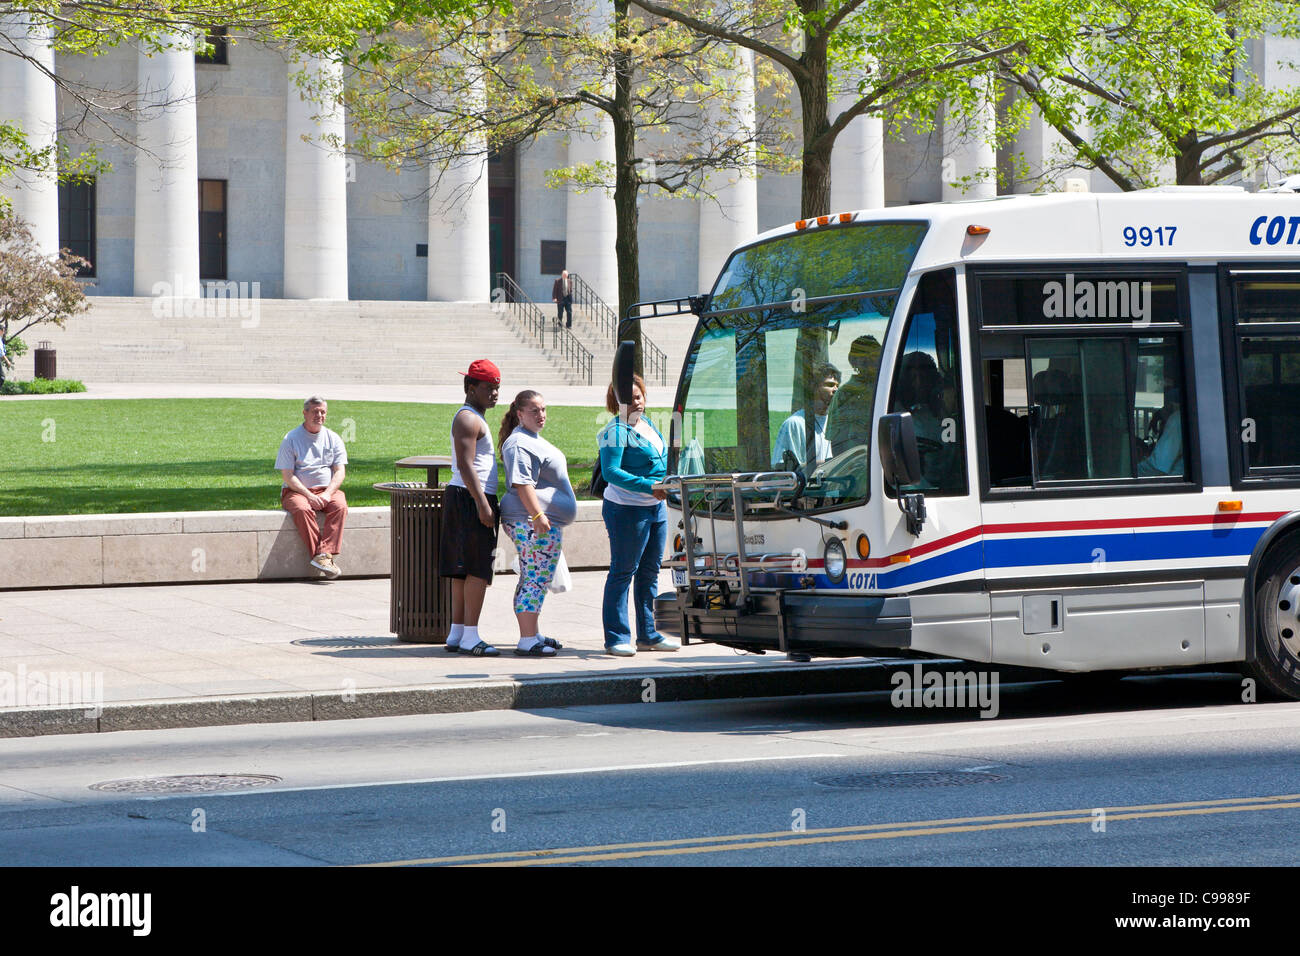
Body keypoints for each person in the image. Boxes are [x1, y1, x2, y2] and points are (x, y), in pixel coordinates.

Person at [598, 373, 677, 657]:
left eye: (639, 396)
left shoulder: (649, 425)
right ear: (616, 403)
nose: (636, 403)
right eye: (629, 399)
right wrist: (649, 486)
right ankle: (617, 637)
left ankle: (648, 634)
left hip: (655, 508)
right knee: (623, 571)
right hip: (626, 509)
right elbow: (611, 472)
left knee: (650, 572)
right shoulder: (614, 431)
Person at [499, 390, 577, 656]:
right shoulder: (519, 442)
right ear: (519, 414)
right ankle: (527, 640)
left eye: (543, 409)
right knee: (535, 578)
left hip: (536, 521)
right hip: (530, 522)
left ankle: (533, 632)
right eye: (534, 411)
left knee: (535, 577)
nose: (541, 415)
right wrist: (537, 516)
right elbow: (522, 482)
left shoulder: (529, 439)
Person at [441, 359, 503, 656]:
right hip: (470, 497)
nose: (494, 393)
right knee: (476, 570)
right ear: (470, 387)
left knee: (462, 571)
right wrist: (483, 505)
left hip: (465, 497)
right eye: (488, 388)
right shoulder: (468, 419)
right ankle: (471, 636)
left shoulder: (475, 416)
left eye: (497, 388)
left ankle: (457, 633)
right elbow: (466, 465)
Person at [275, 396, 348, 579]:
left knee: (340, 506)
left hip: (326, 490)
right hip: (296, 491)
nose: (320, 415)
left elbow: (340, 472)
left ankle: (323, 555)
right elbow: (287, 475)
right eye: (315, 411)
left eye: (323, 412)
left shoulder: (333, 438)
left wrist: (327, 493)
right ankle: (321, 556)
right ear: (305, 413)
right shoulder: (291, 438)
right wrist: (309, 495)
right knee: (302, 509)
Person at [771, 363, 840, 469]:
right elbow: (783, 469)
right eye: (830, 385)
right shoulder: (795, 424)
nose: (835, 389)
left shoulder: (838, 422)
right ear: (815, 387)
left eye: (837, 385)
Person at [826, 336, 881, 455]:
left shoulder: (887, 387)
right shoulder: (844, 394)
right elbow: (836, 441)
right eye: (863, 357)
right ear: (853, 360)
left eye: (873, 356)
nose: (869, 361)